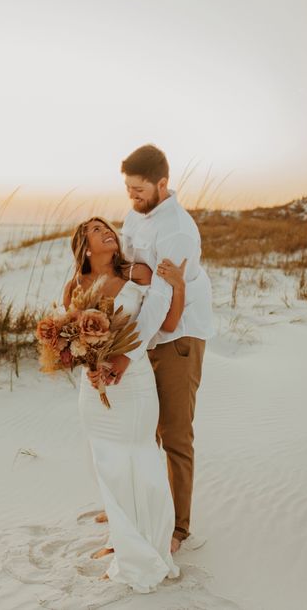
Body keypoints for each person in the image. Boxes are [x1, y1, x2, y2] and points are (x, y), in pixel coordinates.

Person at [63, 217, 186, 593]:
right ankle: (120, 536)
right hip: (94, 385)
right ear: (85, 247)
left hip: (133, 383)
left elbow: (166, 322)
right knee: (106, 461)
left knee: (140, 458)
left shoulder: (139, 274)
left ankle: (144, 545)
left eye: (108, 227)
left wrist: (177, 286)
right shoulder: (74, 285)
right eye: (97, 231)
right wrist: (85, 360)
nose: (108, 233)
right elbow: (67, 341)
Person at [105, 144, 215, 554]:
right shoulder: (136, 212)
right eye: (128, 189)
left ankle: (178, 530)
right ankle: (146, 509)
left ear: (162, 184)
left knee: (173, 434)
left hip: (178, 336)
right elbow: (128, 267)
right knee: (142, 428)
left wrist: (125, 353)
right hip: (146, 334)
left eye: (139, 189)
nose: (131, 198)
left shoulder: (179, 231)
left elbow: (161, 301)